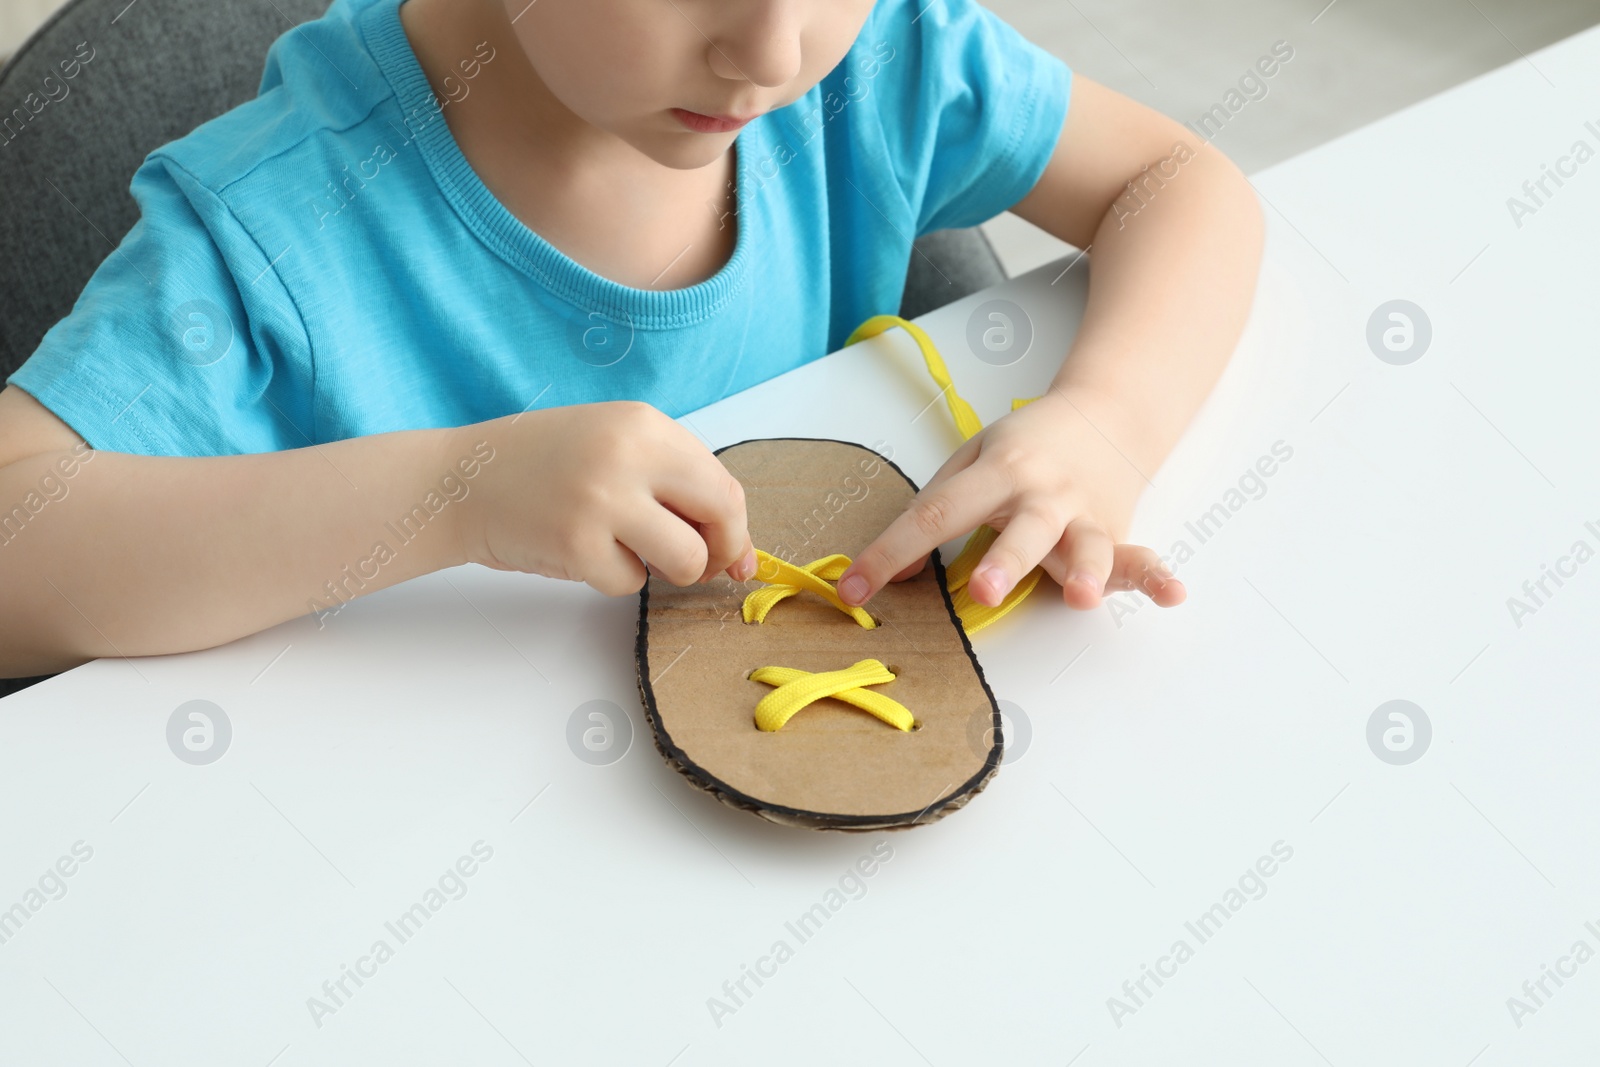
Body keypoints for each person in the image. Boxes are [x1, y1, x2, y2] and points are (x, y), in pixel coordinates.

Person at [0, 0, 1262, 680]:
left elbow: (1177, 180)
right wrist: (457, 494)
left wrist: (1106, 419)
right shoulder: (288, 222)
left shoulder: (874, 57)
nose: (770, 52)